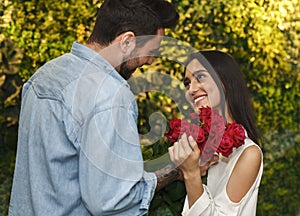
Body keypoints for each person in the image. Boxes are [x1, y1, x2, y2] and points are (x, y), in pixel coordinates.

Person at [9, 0, 179, 215]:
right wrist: (175, 170)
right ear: (127, 41)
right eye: (150, 51)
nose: (150, 62)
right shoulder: (110, 94)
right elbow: (112, 199)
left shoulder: (45, 75)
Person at [168, 51, 263, 215]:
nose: (191, 89)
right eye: (187, 83)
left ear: (224, 81)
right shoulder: (193, 146)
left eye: (201, 77)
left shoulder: (248, 153)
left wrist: (191, 174)